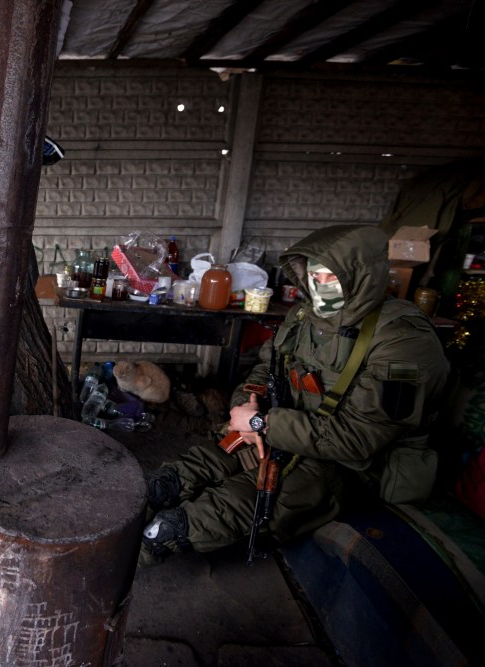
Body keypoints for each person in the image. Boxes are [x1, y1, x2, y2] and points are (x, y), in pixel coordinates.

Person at [141, 224, 449, 561]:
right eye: (314, 277)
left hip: (349, 467)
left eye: (331, 279)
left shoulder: (403, 341)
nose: (319, 288)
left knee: (196, 520)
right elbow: (264, 367)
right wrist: (248, 406)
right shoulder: (307, 316)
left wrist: (261, 423)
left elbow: (356, 440)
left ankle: (129, 557)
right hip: (287, 431)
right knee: (174, 478)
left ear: (362, 278)